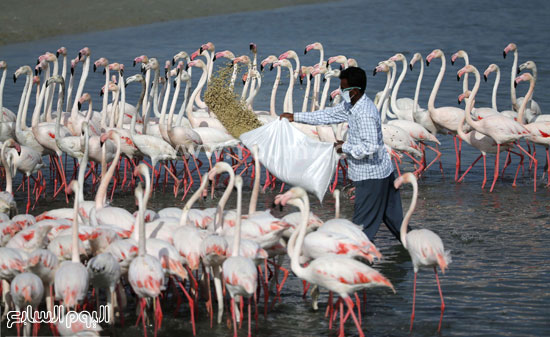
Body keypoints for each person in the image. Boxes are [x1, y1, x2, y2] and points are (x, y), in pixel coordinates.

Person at [280, 66, 405, 242]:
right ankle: (414, 248)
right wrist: (295, 117)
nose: (340, 91)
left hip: (372, 177)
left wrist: (344, 148)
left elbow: (370, 147)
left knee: (361, 229)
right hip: (382, 172)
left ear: (354, 91)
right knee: (396, 223)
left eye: (343, 88)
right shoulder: (351, 105)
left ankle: (357, 260)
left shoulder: (365, 114)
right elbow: (328, 115)